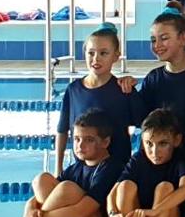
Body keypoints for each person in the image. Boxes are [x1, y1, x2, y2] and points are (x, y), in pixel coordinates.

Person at [0, 110, 123, 217]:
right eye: (77, 139)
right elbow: (38, 199)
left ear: (105, 142)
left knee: (67, 188)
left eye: (89, 140)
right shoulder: (77, 168)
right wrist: (30, 210)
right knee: (42, 180)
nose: (80, 145)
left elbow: (81, 211)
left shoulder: (111, 169)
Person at [57, 23, 144, 170]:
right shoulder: (73, 90)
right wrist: (58, 166)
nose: (96, 59)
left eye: (103, 53)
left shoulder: (124, 90)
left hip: (116, 172)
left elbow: (146, 128)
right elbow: (62, 130)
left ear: (116, 56)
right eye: (91, 53)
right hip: (82, 170)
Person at [139, 6, 185, 173]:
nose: (157, 45)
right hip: (162, 162)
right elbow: (142, 122)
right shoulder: (153, 79)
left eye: (164, 38)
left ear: (183, 39)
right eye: (153, 40)